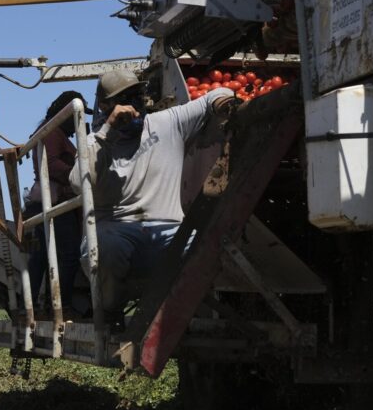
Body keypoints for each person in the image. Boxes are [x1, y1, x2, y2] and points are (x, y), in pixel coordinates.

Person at [72, 69, 237, 325]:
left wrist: (221, 102)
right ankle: (110, 310)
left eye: (137, 95)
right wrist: (109, 132)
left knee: (204, 245)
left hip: (167, 230)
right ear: (105, 106)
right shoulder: (95, 142)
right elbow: (77, 183)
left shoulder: (168, 122)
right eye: (124, 98)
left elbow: (216, 95)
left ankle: (174, 314)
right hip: (117, 230)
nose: (133, 104)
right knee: (104, 249)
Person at [24, 90, 84, 311]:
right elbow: (50, 166)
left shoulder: (51, 131)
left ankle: (34, 304)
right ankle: (62, 304)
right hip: (55, 202)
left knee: (41, 256)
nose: (79, 120)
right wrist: (79, 172)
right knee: (69, 253)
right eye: (76, 115)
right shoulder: (52, 132)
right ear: (65, 112)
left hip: (46, 201)